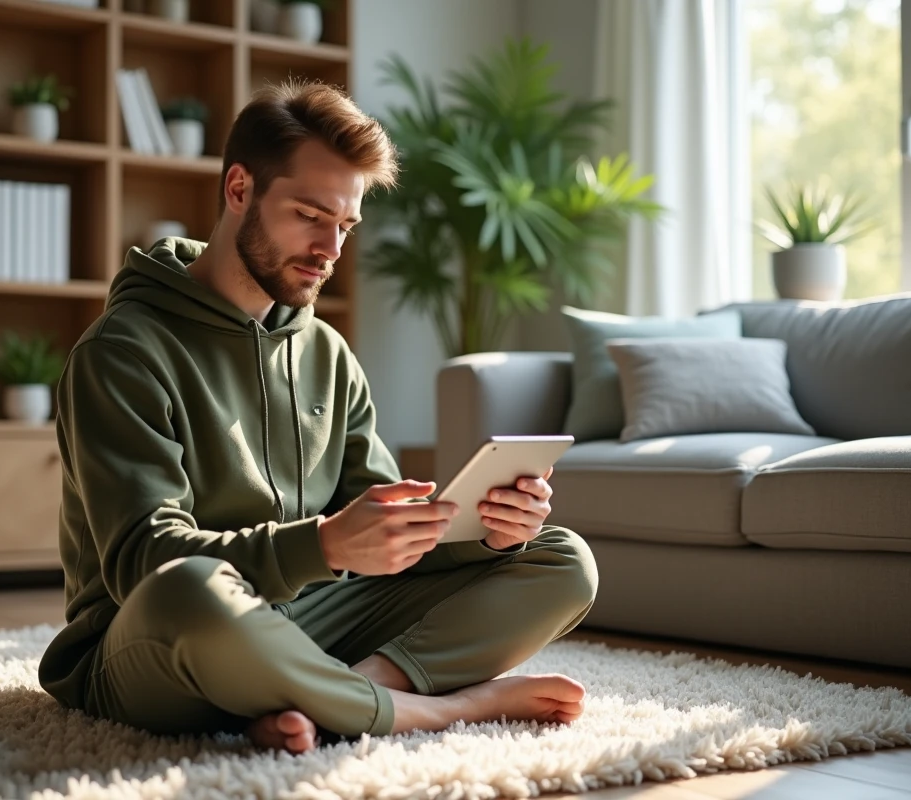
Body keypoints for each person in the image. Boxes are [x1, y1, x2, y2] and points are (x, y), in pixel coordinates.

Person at [37, 78, 600, 754]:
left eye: (346, 225)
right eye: (309, 214)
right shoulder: (122, 351)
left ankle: (337, 694)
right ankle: (431, 710)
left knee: (562, 560)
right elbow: (142, 564)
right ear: (239, 188)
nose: (331, 248)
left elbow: (378, 528)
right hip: (156, 640)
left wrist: (489, 532)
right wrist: (327, 545)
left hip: (304, 619)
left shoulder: (326, 353)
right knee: (190, 589)